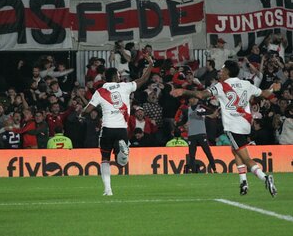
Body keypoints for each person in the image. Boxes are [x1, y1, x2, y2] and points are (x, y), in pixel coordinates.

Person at [171, 60, 279, 197]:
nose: (220, 72)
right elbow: (264, 94)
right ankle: (243, 182)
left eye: (222, 70)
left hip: (233, 126)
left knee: (246, 158)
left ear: (228, 71)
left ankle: (265, 178)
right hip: (245, 124)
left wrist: (183, 91)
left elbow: (200, 95)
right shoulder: (246, 84)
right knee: (236, 151)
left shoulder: (222, 86)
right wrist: (272, 88)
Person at [82, 55, 154, 196]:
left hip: (107, 129)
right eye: (119, 75)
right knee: (122, 163)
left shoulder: (100, 91)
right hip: (122, 129)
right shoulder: (125, 86)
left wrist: (81, 114)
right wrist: (150, 64)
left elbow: (88, 110)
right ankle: (123, 152)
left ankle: (108, 190)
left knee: (105, 159)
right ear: (116, 77)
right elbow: (143, 79)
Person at [176, 96, 218, 173]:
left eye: (195, 98)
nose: (193, 100)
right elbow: (183, 121)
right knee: (192, 155)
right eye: (192, 98)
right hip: (191, 135)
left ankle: (214, 169)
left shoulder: (201, 107)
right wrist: (177, 124)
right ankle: (193, 171)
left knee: (207, 152)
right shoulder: (187, 110)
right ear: (190, 100)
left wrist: (201, 113)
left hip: (201, 134)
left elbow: (211, 111)